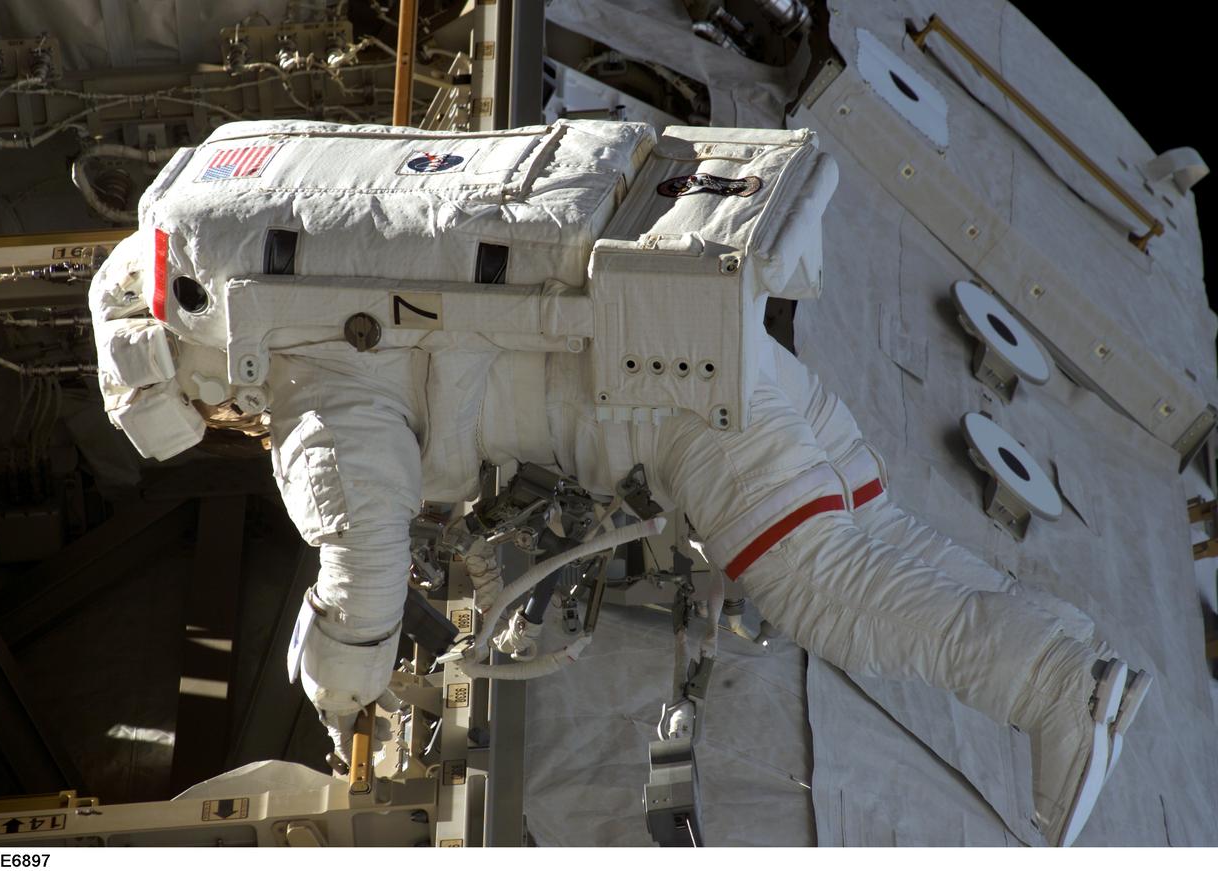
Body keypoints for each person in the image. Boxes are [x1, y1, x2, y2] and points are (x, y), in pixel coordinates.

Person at [89, 119, 1150, 846]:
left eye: (212, 413)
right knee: (881, 545)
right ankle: (1080, 665)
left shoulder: (307, 385)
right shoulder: (304, 247)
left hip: (680, 413)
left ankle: (1053, 687)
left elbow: (360, 556)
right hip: (719, 342)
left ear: (193, 366)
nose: (232, 421)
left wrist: (334, 688)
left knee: (835, 593)